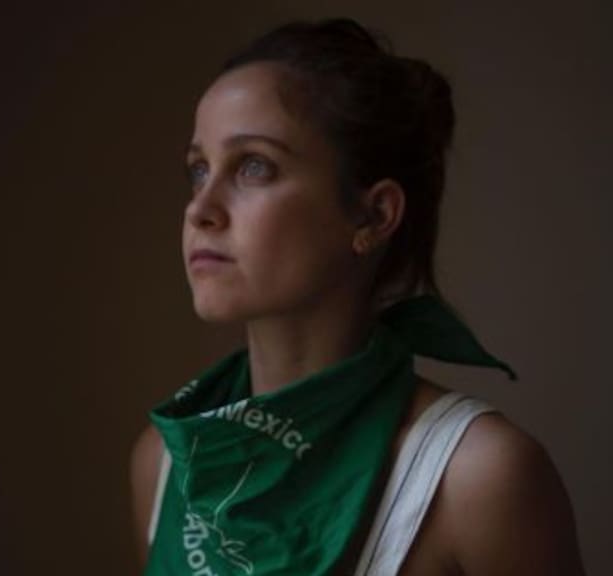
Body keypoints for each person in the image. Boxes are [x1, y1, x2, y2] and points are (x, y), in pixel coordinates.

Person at [131, 18, 586, 575]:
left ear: (374, 215)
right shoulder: (165, 464)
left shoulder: (477, 479)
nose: (200, 209)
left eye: (253, 166)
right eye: (199, 170)